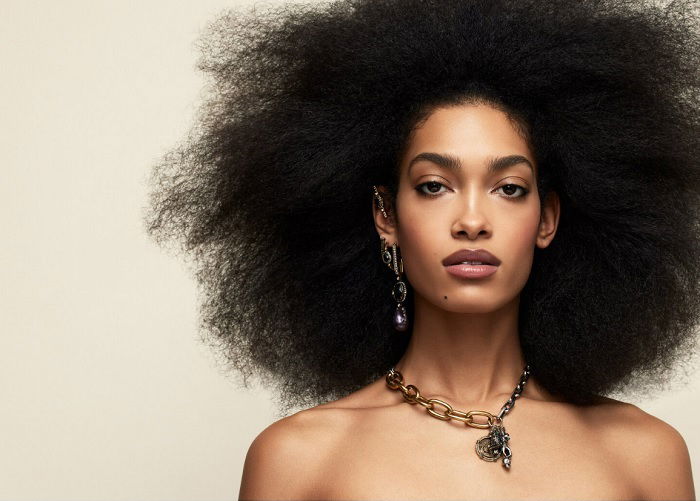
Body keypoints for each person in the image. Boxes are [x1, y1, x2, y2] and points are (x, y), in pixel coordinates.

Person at [144, 0, 700, 498]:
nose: (473, 221)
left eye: (509, 189)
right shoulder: (299, 460)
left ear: (546, 218)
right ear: (386, 216)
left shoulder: (645, 457)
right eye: (435, 185)